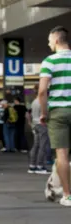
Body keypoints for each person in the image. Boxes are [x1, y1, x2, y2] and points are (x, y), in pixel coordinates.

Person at [38, 26, 71, 206]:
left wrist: (44, 113)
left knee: (62, 154)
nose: (49, 43)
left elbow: (43, 91)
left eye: (50, 40)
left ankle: (67, 195)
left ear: (57, 40)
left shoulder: (49, 61)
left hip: (58, 111)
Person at [28, 95, 50, 174]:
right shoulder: (43, 102)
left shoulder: (34, 101)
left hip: (35, 124)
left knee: (36, 145)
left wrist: (31, 123)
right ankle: (40, 166)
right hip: (42, 124)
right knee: (42, 145)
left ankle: (32, 166)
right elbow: (47, 113)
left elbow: (29, 113)